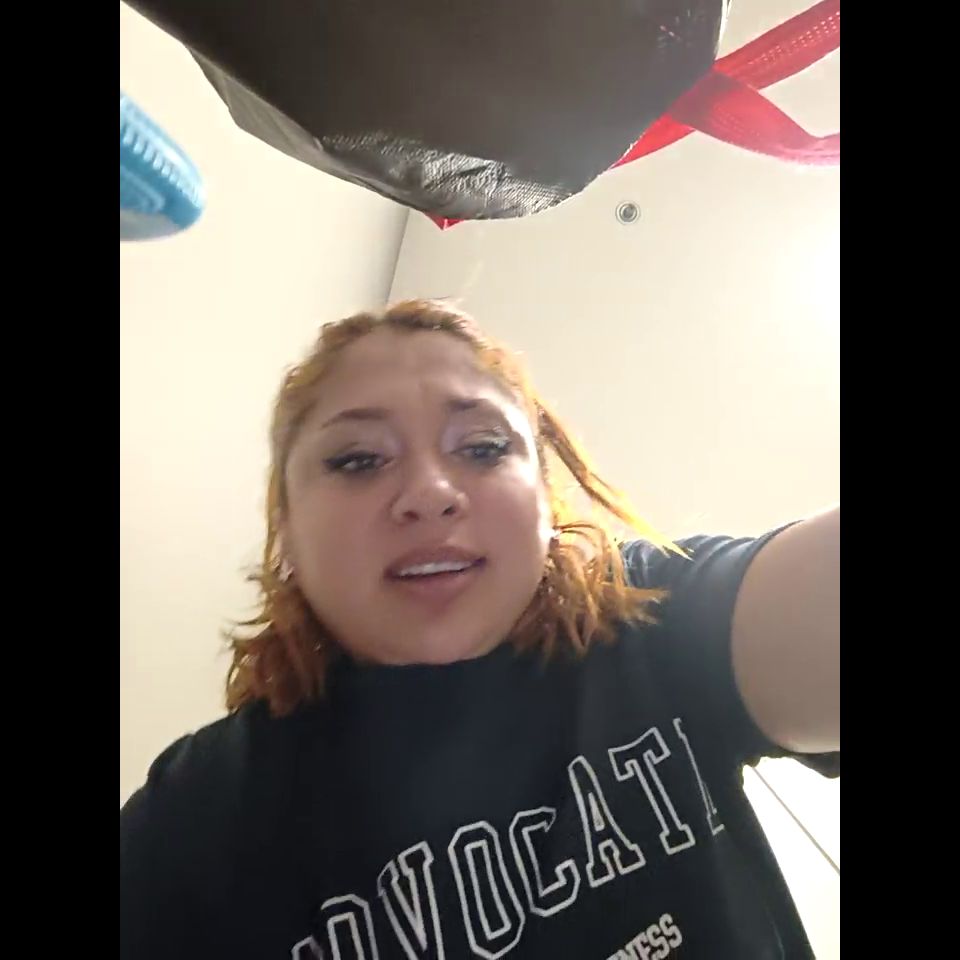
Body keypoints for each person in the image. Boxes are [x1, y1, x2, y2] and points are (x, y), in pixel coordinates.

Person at [120, 299, 839, 960]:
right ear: (288, 532)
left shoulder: (655, 617)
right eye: (359, 460)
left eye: (484, 447)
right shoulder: (199, 812)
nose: (430, 493)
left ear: (544, 501)